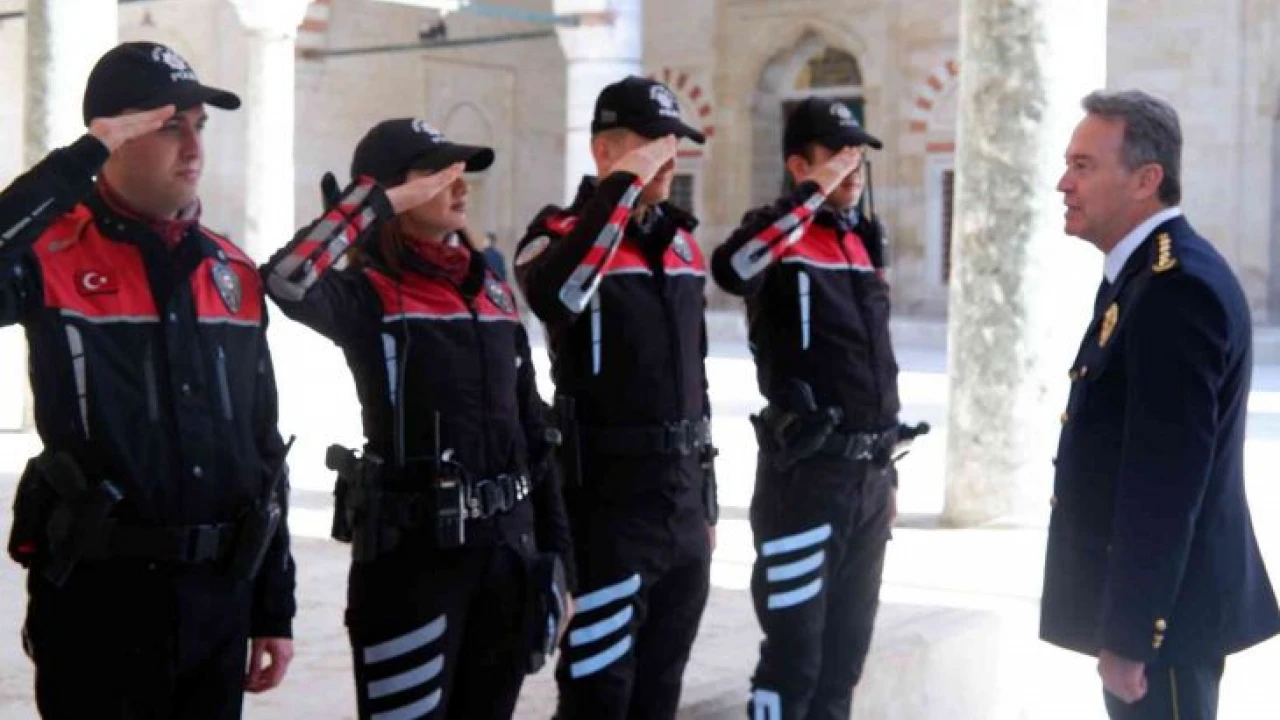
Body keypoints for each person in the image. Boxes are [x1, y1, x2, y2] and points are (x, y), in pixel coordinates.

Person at [2, 41, 296, 719]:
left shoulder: (231, 272)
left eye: (199, 126)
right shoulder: (50, 256)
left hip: (217, 600)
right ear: (113, 136)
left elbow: (262, 447)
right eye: (170, 127)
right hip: (99, 600)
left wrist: (272, 606)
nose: (193, 147)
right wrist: (78, 160)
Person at [261, 117, 575, 720]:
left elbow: (534, 434)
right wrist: (375, 204)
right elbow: (284, 279)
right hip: (412, 567)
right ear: (393, 191)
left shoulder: (490, 290)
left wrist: (561, 562)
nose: (459, 186)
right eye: (437, 174)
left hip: (507, 561)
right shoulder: (366, 294)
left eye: (461, 173)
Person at [1042, 89, 1280, 719]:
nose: (1063, 183)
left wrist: (1131, 635)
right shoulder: (1144, 275)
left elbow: (1165, 482)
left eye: (1083, 166)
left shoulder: (1176, 290)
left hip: (1166, 626)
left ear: (1146, 179)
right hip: (1159, 613)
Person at [513, 75, 718, 719]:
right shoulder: (557, 232)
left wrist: (707, 501)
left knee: (661, 689)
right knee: (598, 691)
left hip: (681, 501)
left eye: (674, 143)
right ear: (605, 151)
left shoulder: (682, 246)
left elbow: (699, 377)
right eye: (652, 143)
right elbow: (558, 296)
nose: (669, 157)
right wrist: (622, 189)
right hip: (608, 503)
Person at [711, 97, 919, 720]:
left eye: (858, 155)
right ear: (800, 164)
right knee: (792, 661)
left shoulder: (861, 239)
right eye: (837, 155)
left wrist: (887, 474)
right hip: (806, 478)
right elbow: (732, 268)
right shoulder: (775, 234)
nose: (852, 167)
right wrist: (811, 195)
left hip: (867, 481)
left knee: (842, 666)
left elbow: (876, 365)